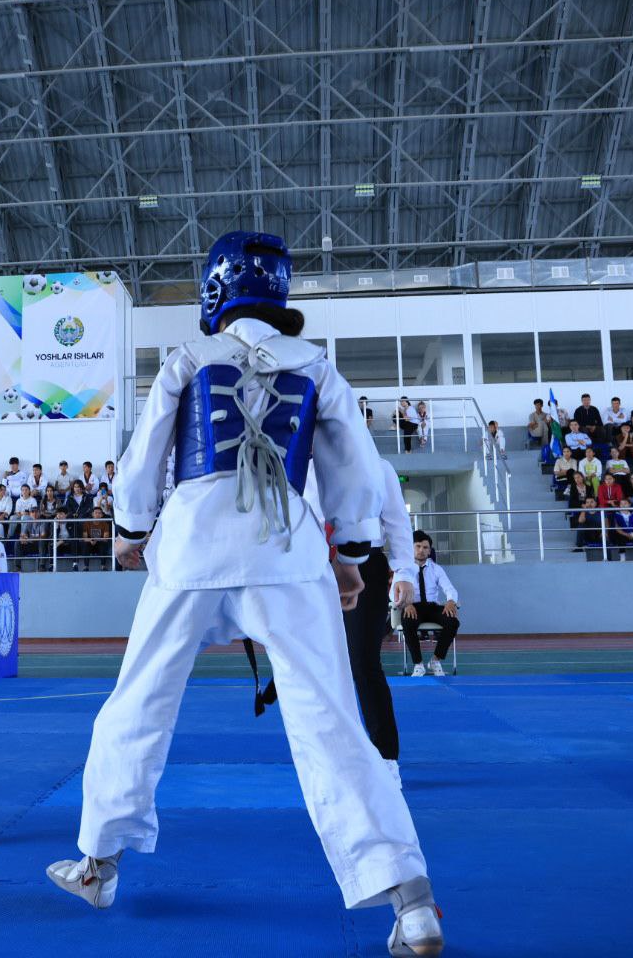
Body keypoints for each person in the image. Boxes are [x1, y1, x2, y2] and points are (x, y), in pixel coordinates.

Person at [44, 231, 440, 955]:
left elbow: (144, 456)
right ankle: (410, 899)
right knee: (332, 723)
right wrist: (352, 555)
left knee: (137, 702)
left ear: (214, 293)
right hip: (287, 550)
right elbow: (355, 469)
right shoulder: (316, 366)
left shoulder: (188, 358)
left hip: (191, 548)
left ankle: (98, 863)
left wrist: (130, 530)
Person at [344, 458, 417, 780]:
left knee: (363, 662)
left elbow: (397, 522)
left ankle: (386, 758)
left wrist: (404, 572)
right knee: (321, 668)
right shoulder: (300, 460)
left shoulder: (377, 466)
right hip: (311, 566)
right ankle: (337, 756)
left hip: (365, 562)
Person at [406, 531, 459, 677]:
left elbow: (449, 588)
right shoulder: (404, 568)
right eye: (418, 546)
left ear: (430, 551)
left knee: (452, 622)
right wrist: (406, 604)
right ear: (411, 548)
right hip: (413, 607)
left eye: (425, 547)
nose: (421, 550)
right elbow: (393, 592)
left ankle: (435, 660)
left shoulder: (436, 569)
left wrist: (450, 601)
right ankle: (418, 664)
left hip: (432, 607)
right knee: (408, 621)